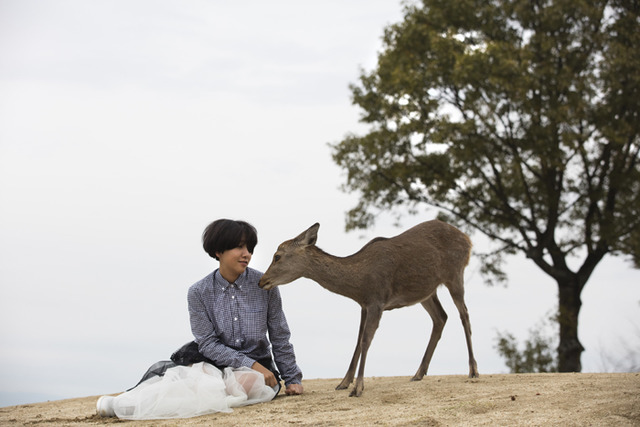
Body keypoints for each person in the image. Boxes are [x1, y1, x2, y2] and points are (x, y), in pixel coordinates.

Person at [96, 219, 303, 420]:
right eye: (239, 247)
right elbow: (208, 343)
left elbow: (280, 336)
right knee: (197, 381)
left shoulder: (266, 286)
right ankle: (123, 405)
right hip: (212, 361)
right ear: (218, 251)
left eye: (249, 248)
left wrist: (292, 379)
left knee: (245, 383)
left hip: (257, 368)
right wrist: (250, 364)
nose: (246, 254)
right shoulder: (198, 292)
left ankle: (129, 407)